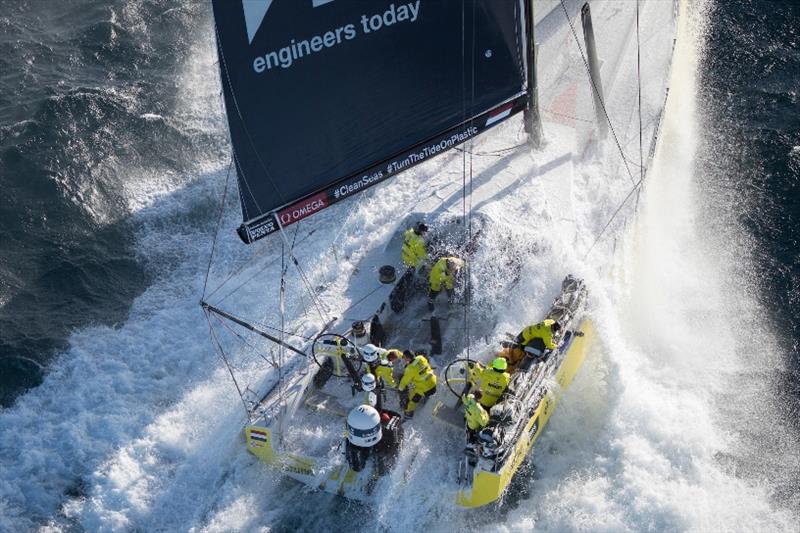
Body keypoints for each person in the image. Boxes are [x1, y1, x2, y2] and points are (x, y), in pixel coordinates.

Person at [398, 350, 437, 419]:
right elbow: (419, 365)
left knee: (411, 399)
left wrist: (400, 389)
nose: (403, 359)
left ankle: (408, 414)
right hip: (434, 382)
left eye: (404, 357)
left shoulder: (410, 369)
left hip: (426, 389)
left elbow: (404, 381)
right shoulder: (421, 358)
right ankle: (425, 399)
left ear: (407, 358)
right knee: (418, 383)